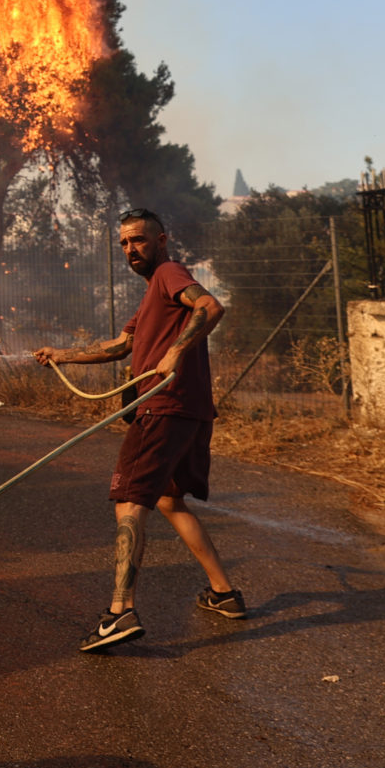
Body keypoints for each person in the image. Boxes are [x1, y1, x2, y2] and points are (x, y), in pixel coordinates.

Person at [33, 208, 247, 651]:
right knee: (168, 499)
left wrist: (176, 352)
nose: (131, 249)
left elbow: (210, 306)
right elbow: (121, 345)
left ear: (161, 240)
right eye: (124, 243)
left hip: (162, 407)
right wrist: (62, 355)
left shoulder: (169, 273)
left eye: (139, 240)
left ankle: (120, 613)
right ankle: (224, 593)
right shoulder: (154, 294)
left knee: (129, 501)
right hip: (188, 412)